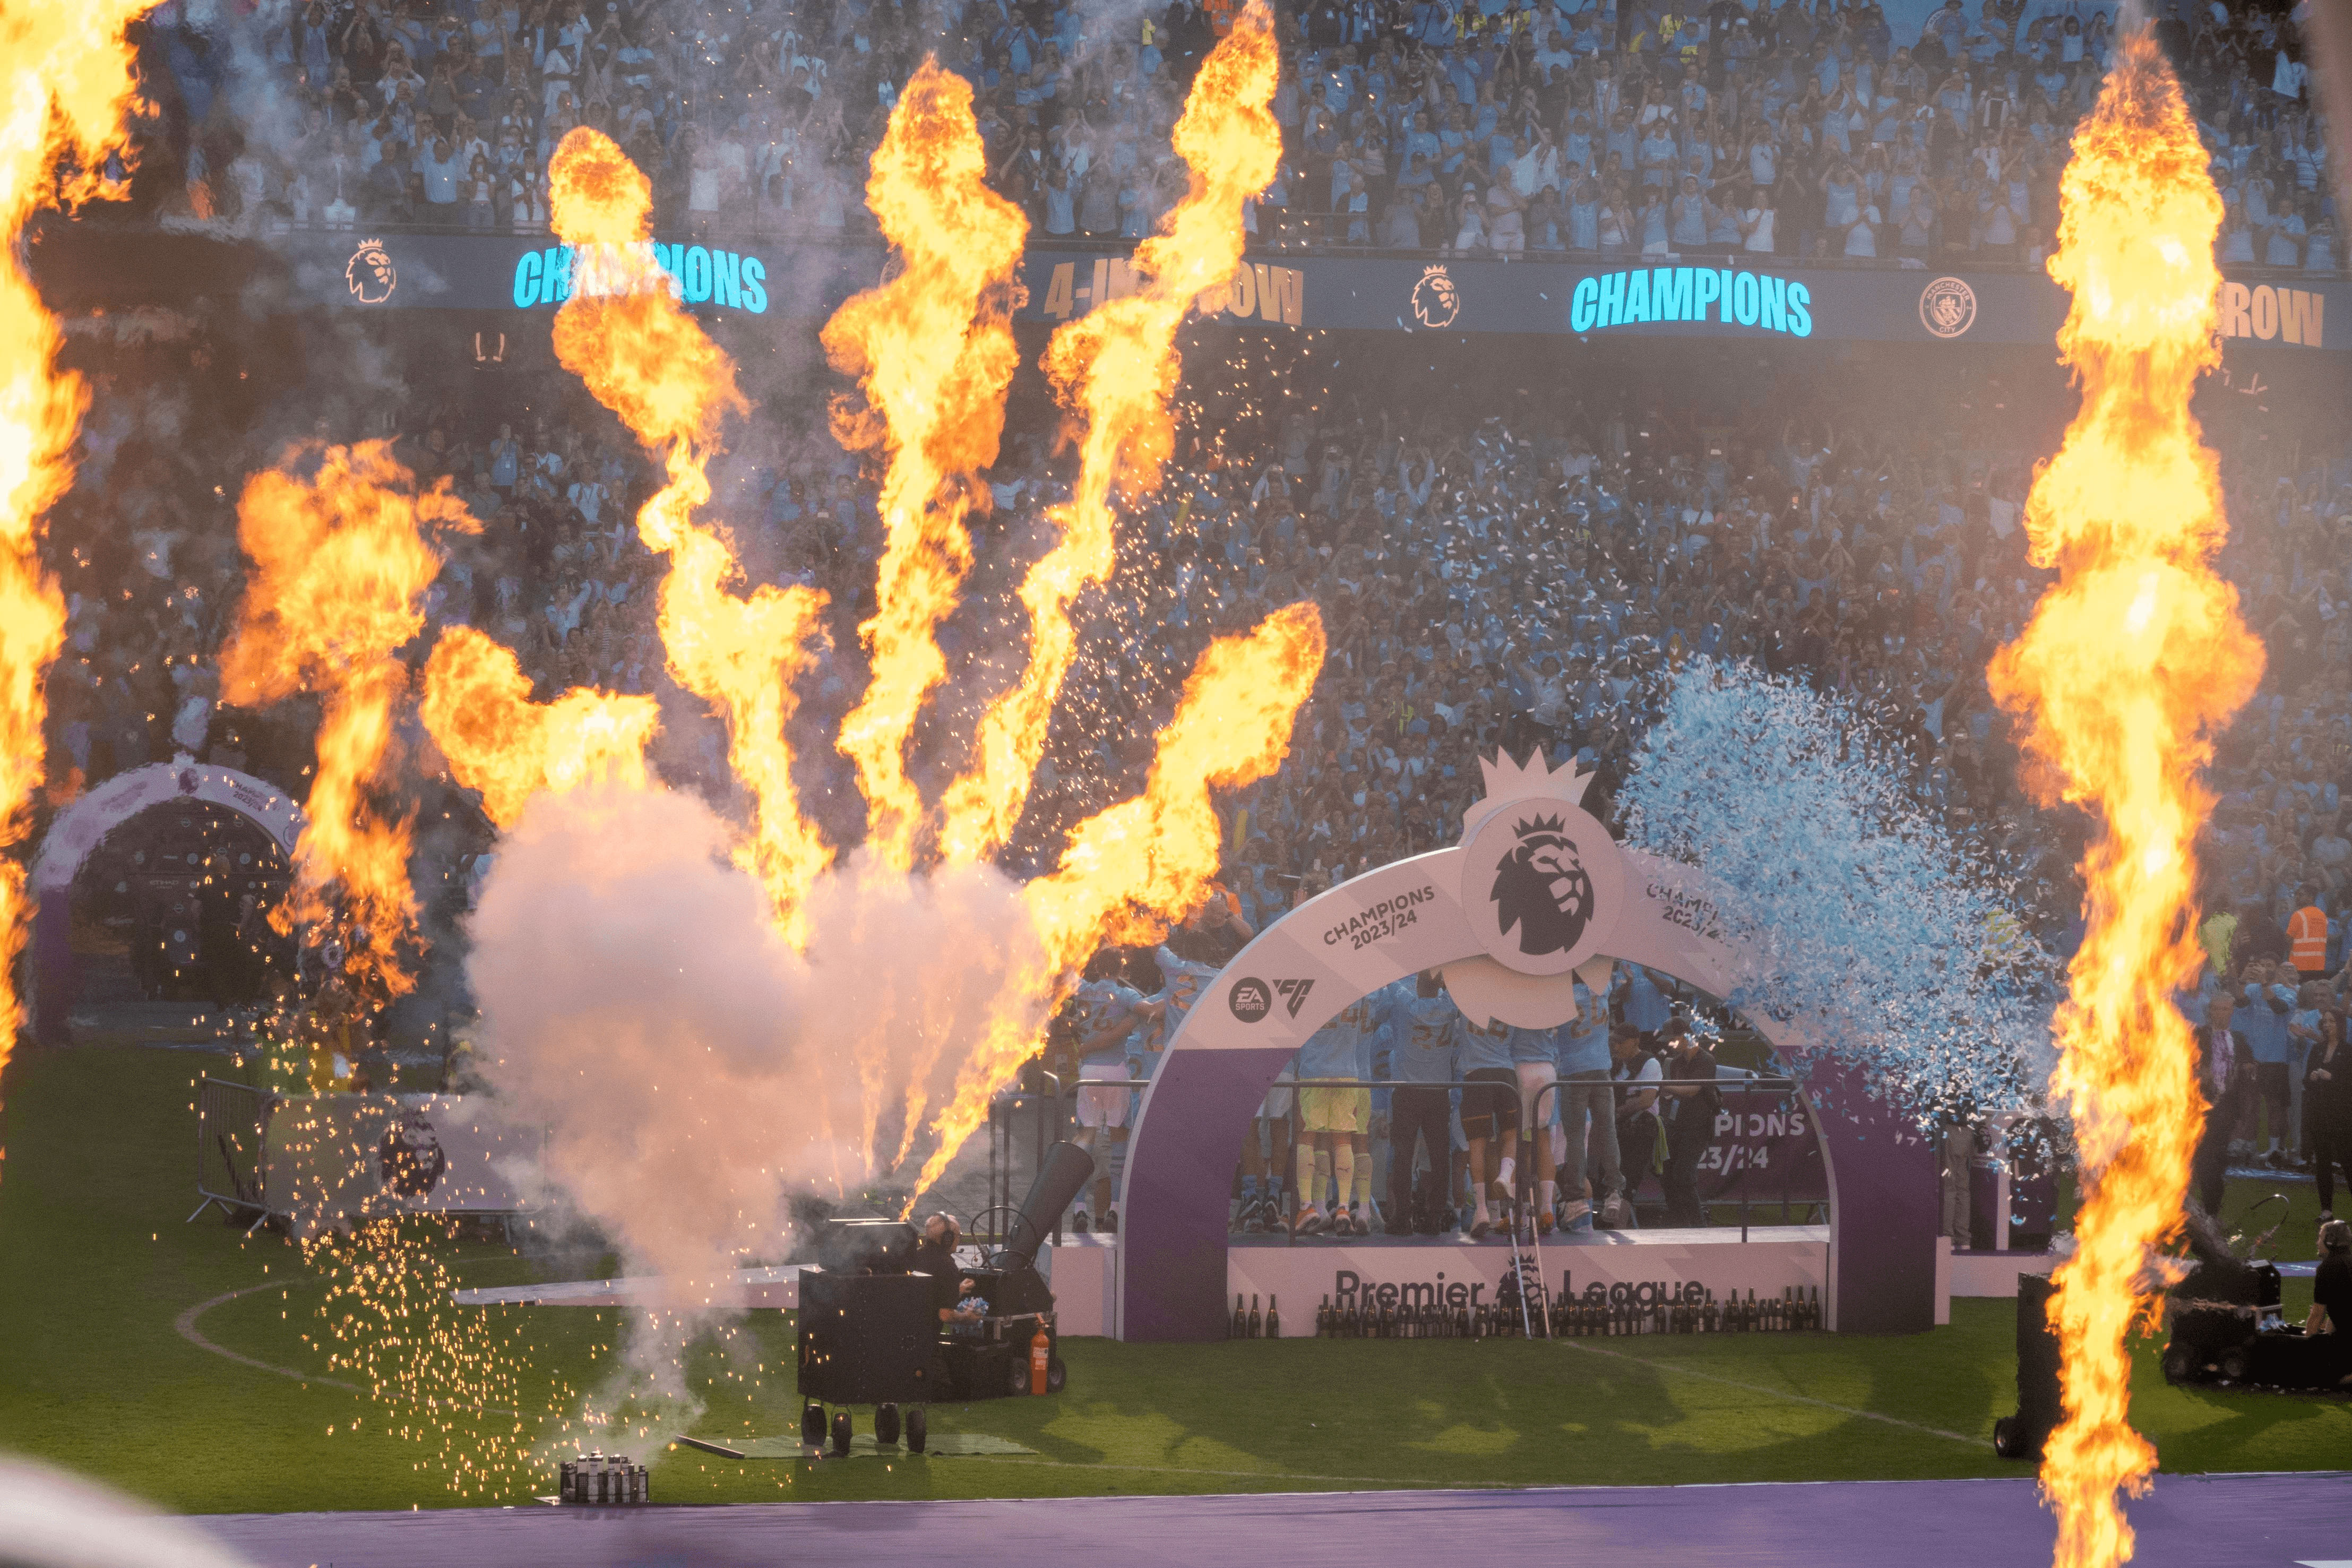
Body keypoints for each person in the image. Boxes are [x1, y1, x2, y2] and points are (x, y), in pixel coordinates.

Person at [1388, 970, 1460, 1236]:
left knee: (1403, 1158)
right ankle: (1434, 1218)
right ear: (1440, 986)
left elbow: (1391, 981)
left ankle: (1403, 1218)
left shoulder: (1407, 1003)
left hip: (1407, 1091)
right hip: (1438, 1093)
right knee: (1441, 1157)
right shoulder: (1451, 1008)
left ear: (1417, 985)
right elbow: (1457, 989)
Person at [1553, 970, 1625, 1231]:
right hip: (1601, 1067)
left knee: (1574, 1136)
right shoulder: (1601, 987)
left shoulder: (1560, 995)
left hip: (1573, 1069)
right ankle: (1614, 1190)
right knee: (1607, 1130)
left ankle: (1575, 1197)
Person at [1454, 1009, 1520, 1239]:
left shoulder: (1466, 1001)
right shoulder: (1510, 999)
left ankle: (1481, 1209)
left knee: (1477, 1145)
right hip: (1505, 1073)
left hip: (1476, 1075)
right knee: (1511, 1135)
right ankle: (1505, 1175)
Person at [2191, 991, 2253, 1216]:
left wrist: (2247, 1069)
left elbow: (2249, 1065)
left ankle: (2212, 1210)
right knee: (2195, 1157)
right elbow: (2181, 1064)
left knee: (2215, 1160)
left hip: (2226, 1109)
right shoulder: (2198, 1035)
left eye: (2227, 1009)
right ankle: (2187, 1208)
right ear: (2210, 1011)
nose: (2222, 1013)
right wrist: (2199, 1073)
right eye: (2218, 1009)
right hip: (2198, 1107)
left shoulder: (2237, 1039)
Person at [1657, 1020, 1719, 1227]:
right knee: (1667, 1175)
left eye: (1673, 1040)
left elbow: (1693, 1090)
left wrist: (1666, 1086)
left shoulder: (1706, 1060)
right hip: (1676, 1125)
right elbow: (1673, 1092)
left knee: (1684, 1176)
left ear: (1686, 1037)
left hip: (1698, 1127)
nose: (1670, 1045)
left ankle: (1697, 1224)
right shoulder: (1675, 1063)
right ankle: (1678, 1221)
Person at [1608, 1023, 1661, 1224]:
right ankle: (1609, 1223)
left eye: (1621, 1043)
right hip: (1618, 1127)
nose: (1616, 1047)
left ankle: (1619, 1226)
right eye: (1613, 1042)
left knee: (1629, 1179)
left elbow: (1646, 1100)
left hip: (1641, 1128)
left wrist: (1618, 1112)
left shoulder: (1651, 1064)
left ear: (1636, 1043)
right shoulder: (1614, 1064)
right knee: (1612, 1178)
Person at [2308, 1010, 2349, 1221]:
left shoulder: (2348, 1050)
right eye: (2325, 1021)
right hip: (2320, 1112)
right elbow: (2306, 1081)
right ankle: (2326, 1210)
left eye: (2332, 1021)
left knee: (2348, 1160)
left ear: (2340, 1025)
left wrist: (2331, 1077)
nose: (2328, 1025)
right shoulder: (2316, 1049)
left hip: (2341, 1114)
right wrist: (2313, 1077)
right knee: (2322, 1161)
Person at [2308, 1218, 2351, 1387]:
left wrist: (2305, 1347)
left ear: (2330, 1241)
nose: (2318, 1242)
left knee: (2334, 1380)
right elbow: (2340, 1312)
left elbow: (2318, 1314)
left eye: (2320, 1238)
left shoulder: (2328, 1268)